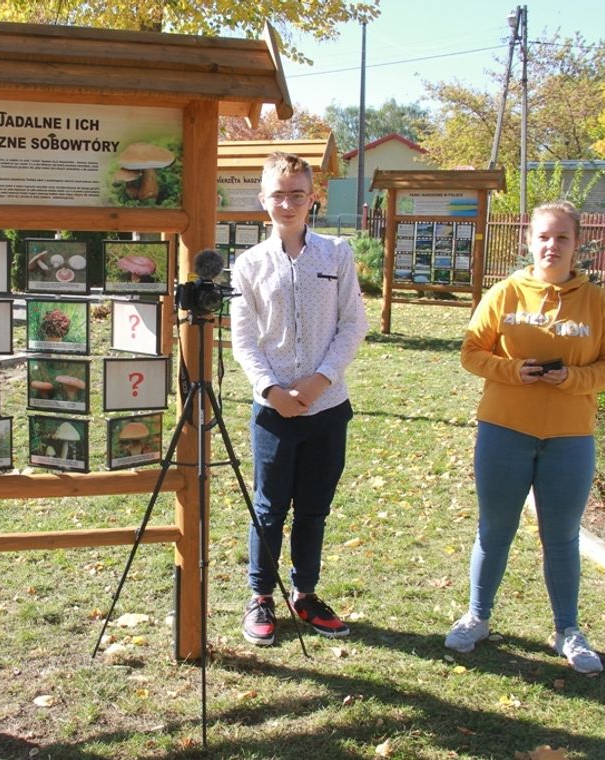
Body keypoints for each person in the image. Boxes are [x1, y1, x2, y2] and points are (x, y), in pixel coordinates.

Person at [444, 200, 605, 673]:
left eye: (562, 237)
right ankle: (477, 616)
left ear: (576, 244)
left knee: (562, 536)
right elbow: (470, 352)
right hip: (505, 430)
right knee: (495, 530)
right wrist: (512, 371)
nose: (552, 245)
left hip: (570, 438)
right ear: (529, 240)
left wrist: (571, 379)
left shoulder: (596, 302)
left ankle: (568, 629)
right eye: (543, 236)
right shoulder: (505, 293)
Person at [230, 152, 369, 646]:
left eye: (297, 193)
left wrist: (320, 382)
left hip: (326, 408)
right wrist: (271, 390)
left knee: (314, 507)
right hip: (273, 412)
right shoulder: (248, 265)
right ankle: (260, 596)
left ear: (313, 198)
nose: (287, 203)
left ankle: (304, 594)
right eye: (277, 194)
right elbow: (244, 339)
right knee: (269, 506)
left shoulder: (337, 254)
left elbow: (354, 323)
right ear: (262, 200)